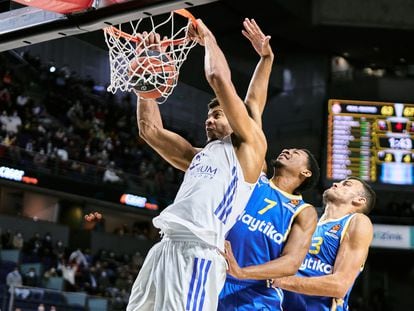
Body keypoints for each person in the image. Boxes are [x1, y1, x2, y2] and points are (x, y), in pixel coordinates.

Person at [122, 18, 269, 311]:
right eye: (209, 116)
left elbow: (220, 79)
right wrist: (146, 76)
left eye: (218, 114)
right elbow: (149, 130)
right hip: (164, 248)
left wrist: (208, 36)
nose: (209, 119)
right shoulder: (196, 155)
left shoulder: (250, 148)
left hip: (199, 254)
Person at [217, 19, 319, 311]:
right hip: (212, 279)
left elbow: (291, 262)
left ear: (306, 172)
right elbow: (253, 107)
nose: (287, 149)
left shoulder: (304, 211)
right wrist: (266, 58)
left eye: (297, 152)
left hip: (255, 297)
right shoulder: (255, 173)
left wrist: (242, 272)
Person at [272, 176, 376, 311]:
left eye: (347, 184)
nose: (336, 184)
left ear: (359, 200)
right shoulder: (306, 220)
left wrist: (277, 280)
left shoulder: (357, 221)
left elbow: (339, 285)